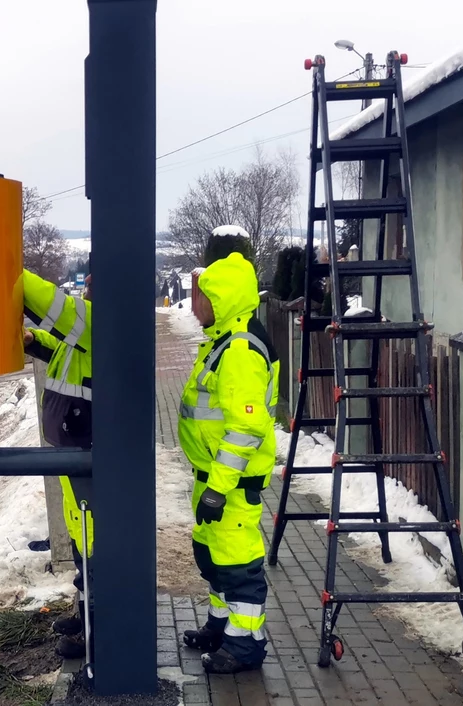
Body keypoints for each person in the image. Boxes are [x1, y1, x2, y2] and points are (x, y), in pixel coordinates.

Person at [178, 227, 280, 674]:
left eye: (203, 296)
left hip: (232, 487)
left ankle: (245, 648)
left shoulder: (238, 351)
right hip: (213, 481)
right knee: (214, 562)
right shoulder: (221, 343)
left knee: (239, 569)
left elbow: (246, 428)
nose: (195, 303)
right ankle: (220, 630)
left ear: (223, 299)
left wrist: (218, 488)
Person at [22, 262, 93, 660]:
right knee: (83, 538)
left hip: (88, 449)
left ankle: (97, 631)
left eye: (96, 280)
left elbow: (56, 306)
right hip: (73, 447)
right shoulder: (84, 332)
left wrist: (8, 271)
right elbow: (62, 348)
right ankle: (86, 615)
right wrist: (33, 340)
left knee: (95, 542)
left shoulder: (100, 320)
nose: (89, 285)